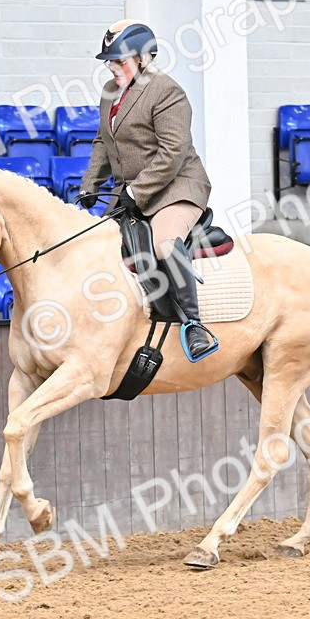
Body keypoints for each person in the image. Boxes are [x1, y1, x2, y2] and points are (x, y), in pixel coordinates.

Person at [75, 19, 218, 362]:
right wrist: (90, 185)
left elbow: (173, 153)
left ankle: (193, 325)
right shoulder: (111, 92)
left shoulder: (167, 91)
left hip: (176, 187)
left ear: (143, 58)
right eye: (109, 61)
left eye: (119, 61)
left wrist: (136, 193)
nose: (112, 68)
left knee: (165, 243)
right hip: (132, 191)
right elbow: (102, 142)